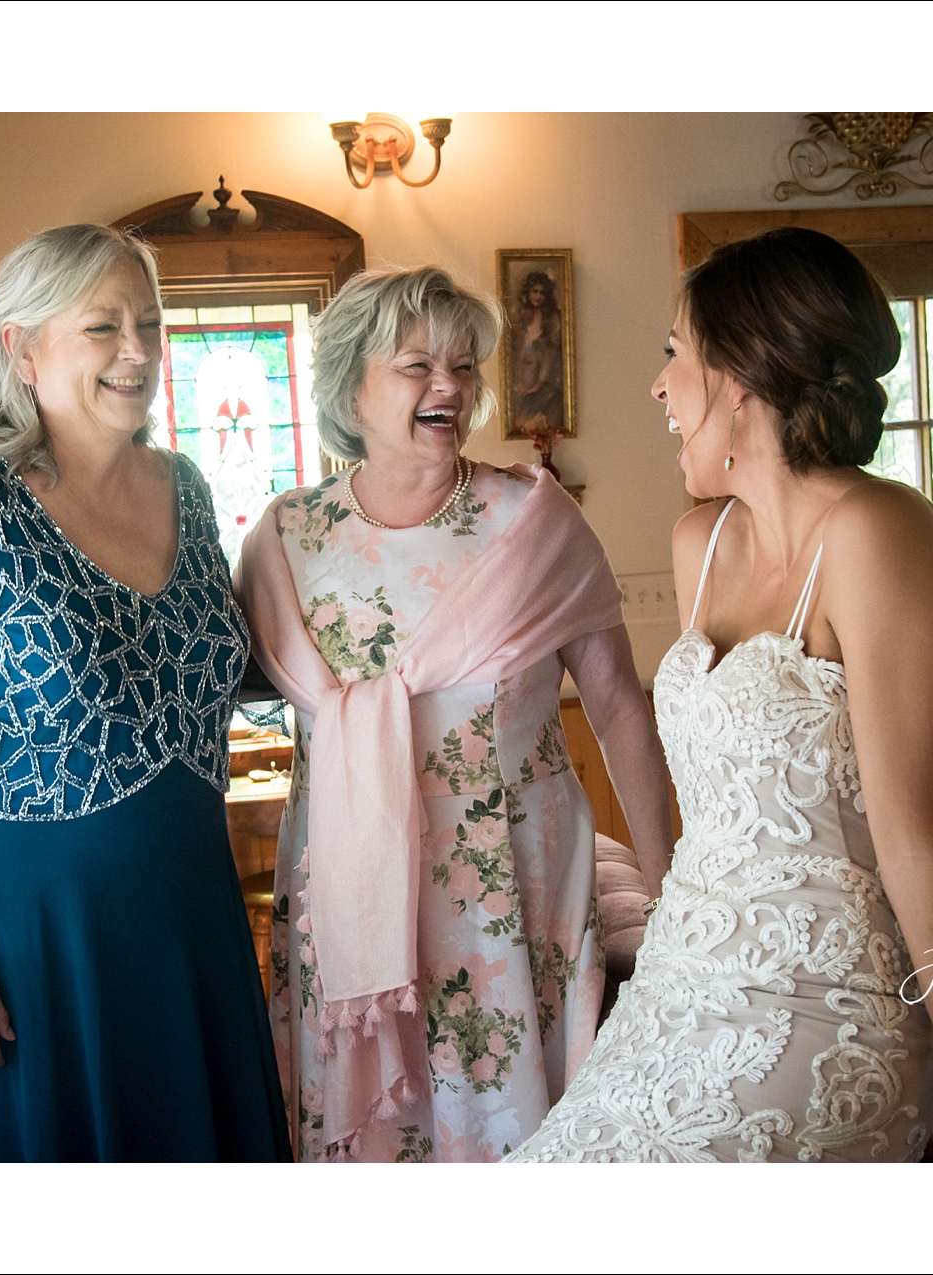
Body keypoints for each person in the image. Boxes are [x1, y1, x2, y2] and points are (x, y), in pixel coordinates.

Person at [510, 227, 933, 1162]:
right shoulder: (699, 543)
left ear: (741, 374)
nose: (660, 387)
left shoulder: (880, 532)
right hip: (681, 986)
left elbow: (920, 855)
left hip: (831, 1001)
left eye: (675, 354)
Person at [235, 266, 674, 1161]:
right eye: (418, 365)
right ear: (350, 384)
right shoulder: (283, 537)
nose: (451, 386)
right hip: (349, 899)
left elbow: (619, 704)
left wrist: (674, 887)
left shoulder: (532, 523)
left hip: (508, 897)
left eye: (465, 366)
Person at [0, 224, 289, 1162]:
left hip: (193, 918)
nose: (137, 352)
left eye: (149, 326)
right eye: (103, 327)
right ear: (20, 349)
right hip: (39, 946)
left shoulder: (189, 489)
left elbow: (237, 664)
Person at [509, 270, 564, 433]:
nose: (538, 296)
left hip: (542, 380)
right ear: (528, 292)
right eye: (535, 291)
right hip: (521, 378)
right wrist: (518, 383)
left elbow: (551, 356)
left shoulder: (552, 320)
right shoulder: (518, 317)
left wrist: (538, 384)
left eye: (542, 292)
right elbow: (514, 353)